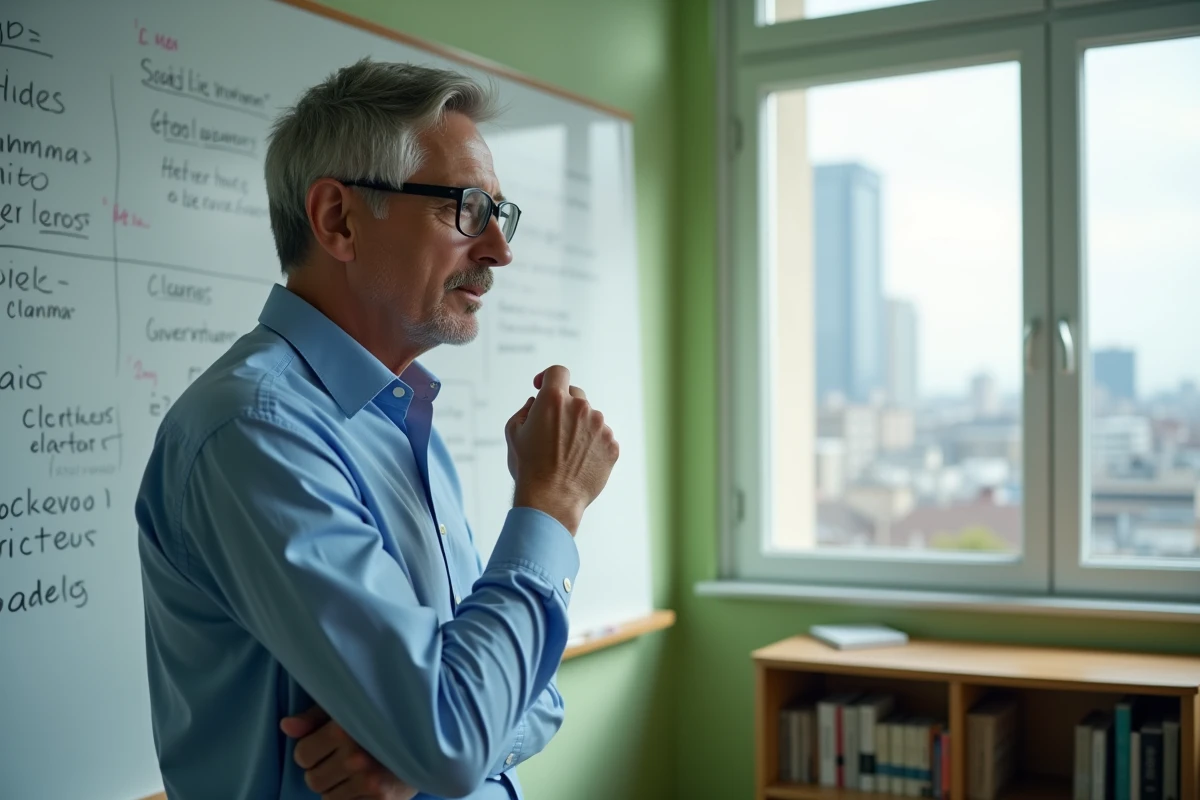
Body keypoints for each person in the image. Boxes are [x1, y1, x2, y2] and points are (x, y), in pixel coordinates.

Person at [136, 58, 619, 800]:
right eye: (465, 207)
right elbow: (455, 732)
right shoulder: (255, 433)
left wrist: (422, 743)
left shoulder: (396, 421)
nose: (498, 250)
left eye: (500, 213)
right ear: (338, 219)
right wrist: (551, 508)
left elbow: (528, 697)